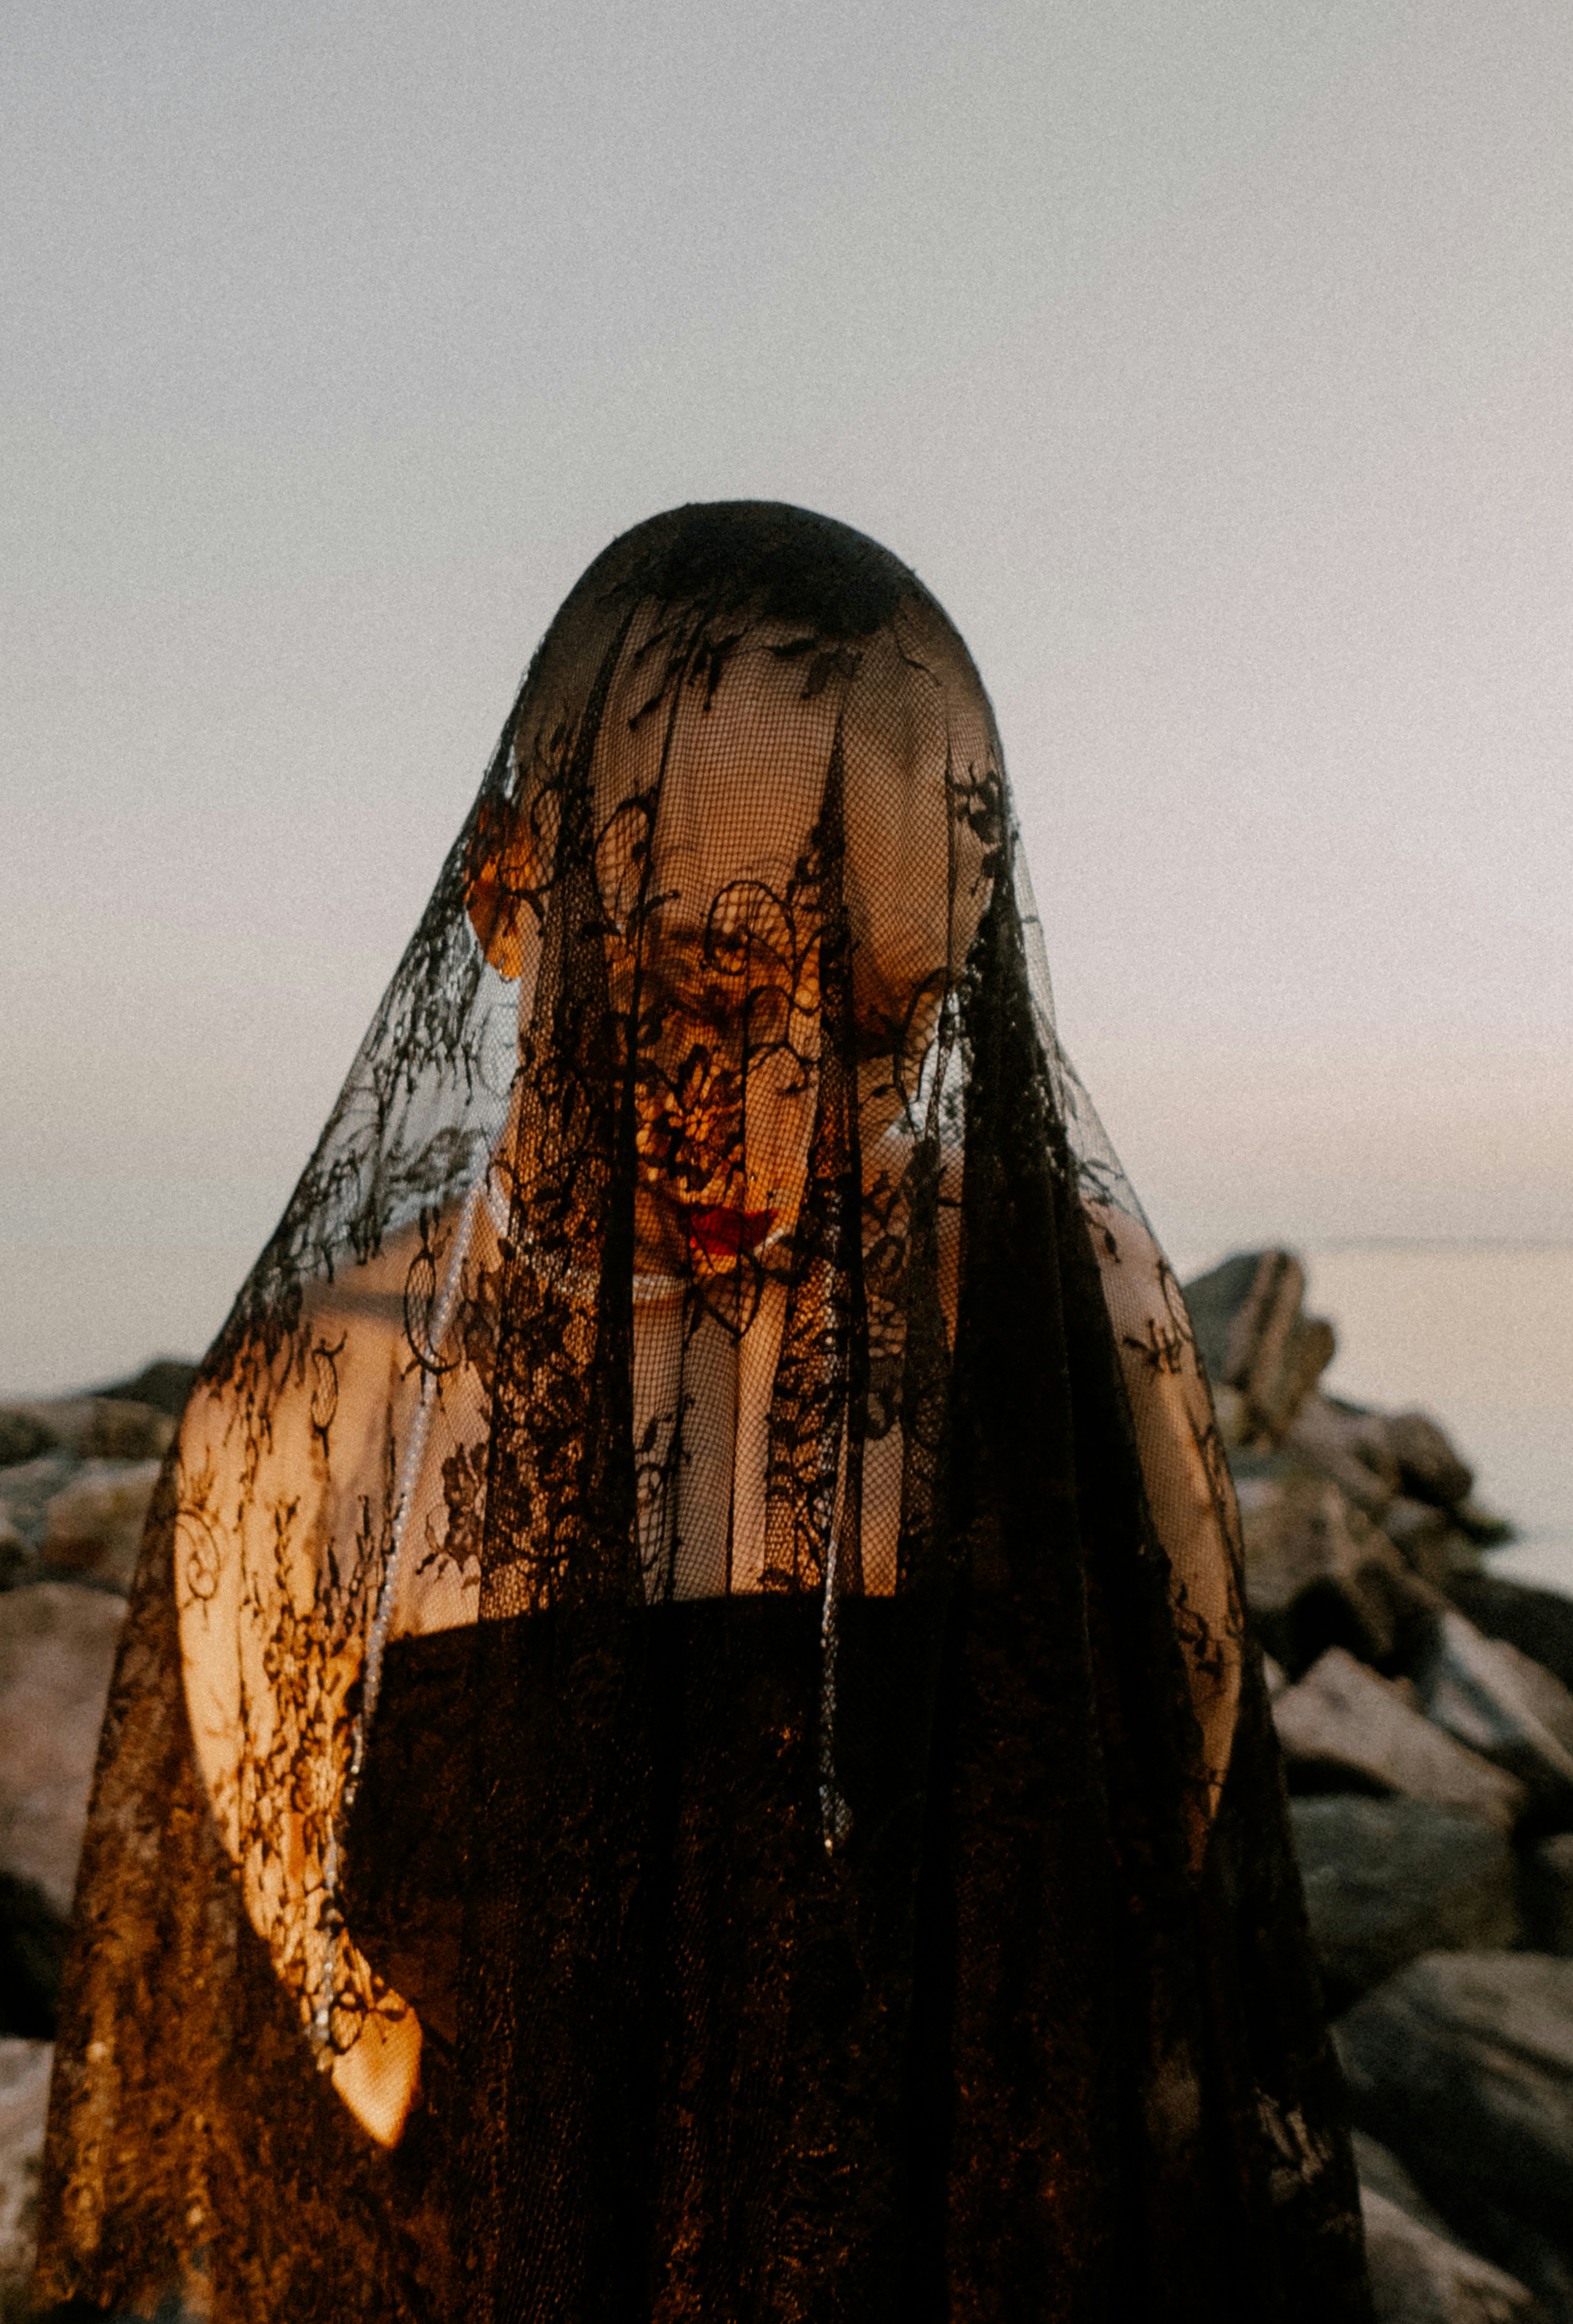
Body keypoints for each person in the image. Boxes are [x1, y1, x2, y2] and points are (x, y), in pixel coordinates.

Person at [35, 502, 1372, 2322]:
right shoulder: (307, 1410)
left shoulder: (1069, 1303)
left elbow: (1182, 1780)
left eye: (893, 1021)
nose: (788, 1119)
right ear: (517, 900)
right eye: (707, 991)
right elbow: (306, 1943)